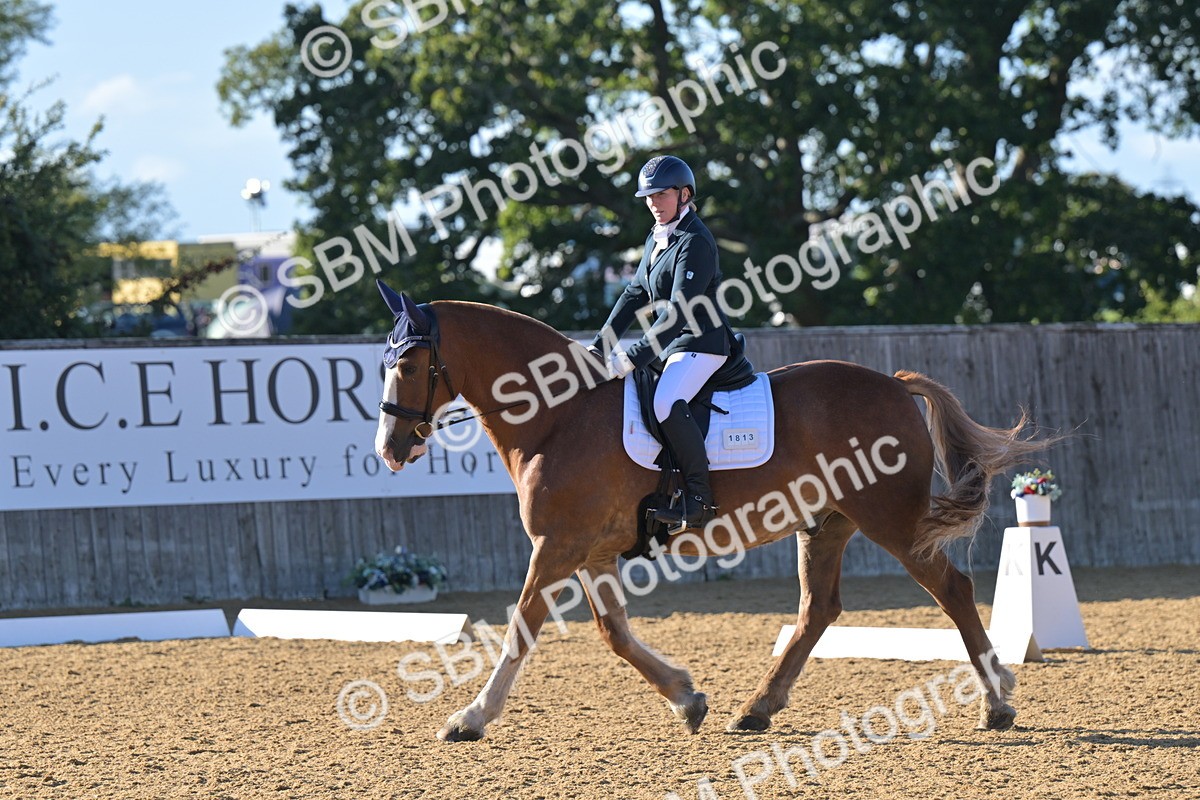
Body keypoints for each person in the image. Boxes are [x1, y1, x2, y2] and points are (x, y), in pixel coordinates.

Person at [588, 155, 740, 530]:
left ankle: (699, 499)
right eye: (649, 197)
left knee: (665, 401)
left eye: (661, 195)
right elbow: (634, 294)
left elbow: (678, 312)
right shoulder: (657, 238)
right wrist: (600, 346)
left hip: (702, 343)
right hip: (673, 346)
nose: (654, 203)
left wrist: (634, 356)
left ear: (684, 194)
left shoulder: (695, 241)